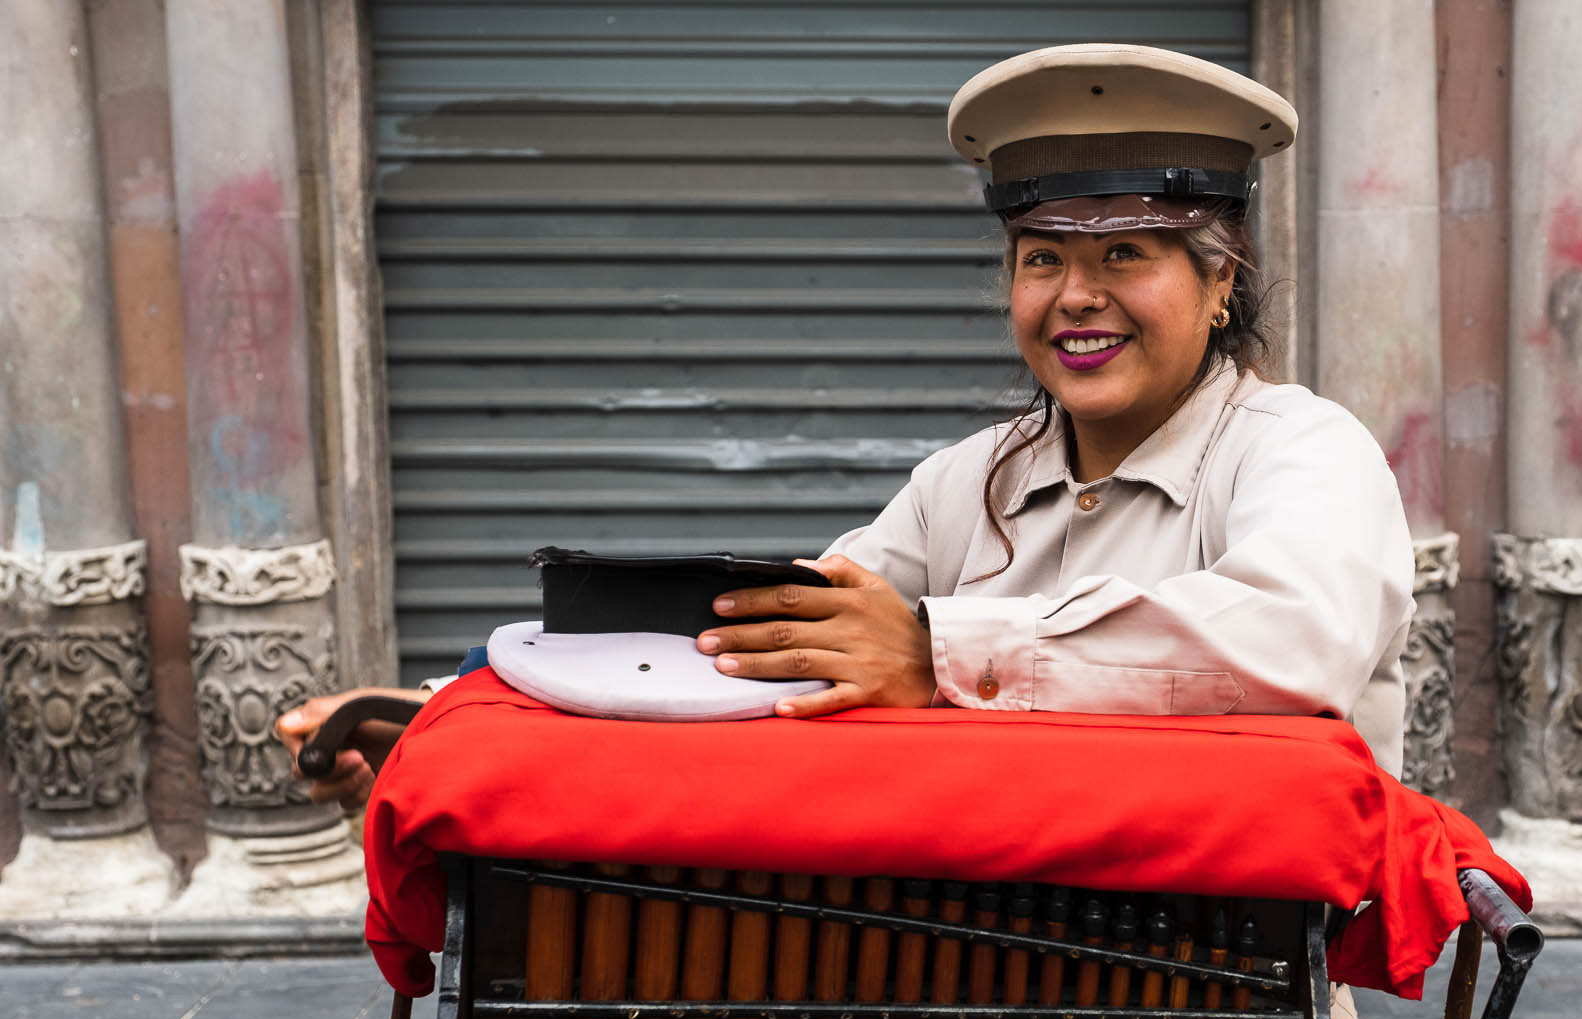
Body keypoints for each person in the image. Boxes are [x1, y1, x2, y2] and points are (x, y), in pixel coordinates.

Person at [279, 44, 1413, 804]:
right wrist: (438, 719)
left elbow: (1295, 637)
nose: (1077, 296)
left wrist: (937, 652)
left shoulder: (1300, 450)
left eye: (1124, 253)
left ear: (1220, 281)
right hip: (970, 993)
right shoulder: (963, 483)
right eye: (1041, 259)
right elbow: (772, 647)